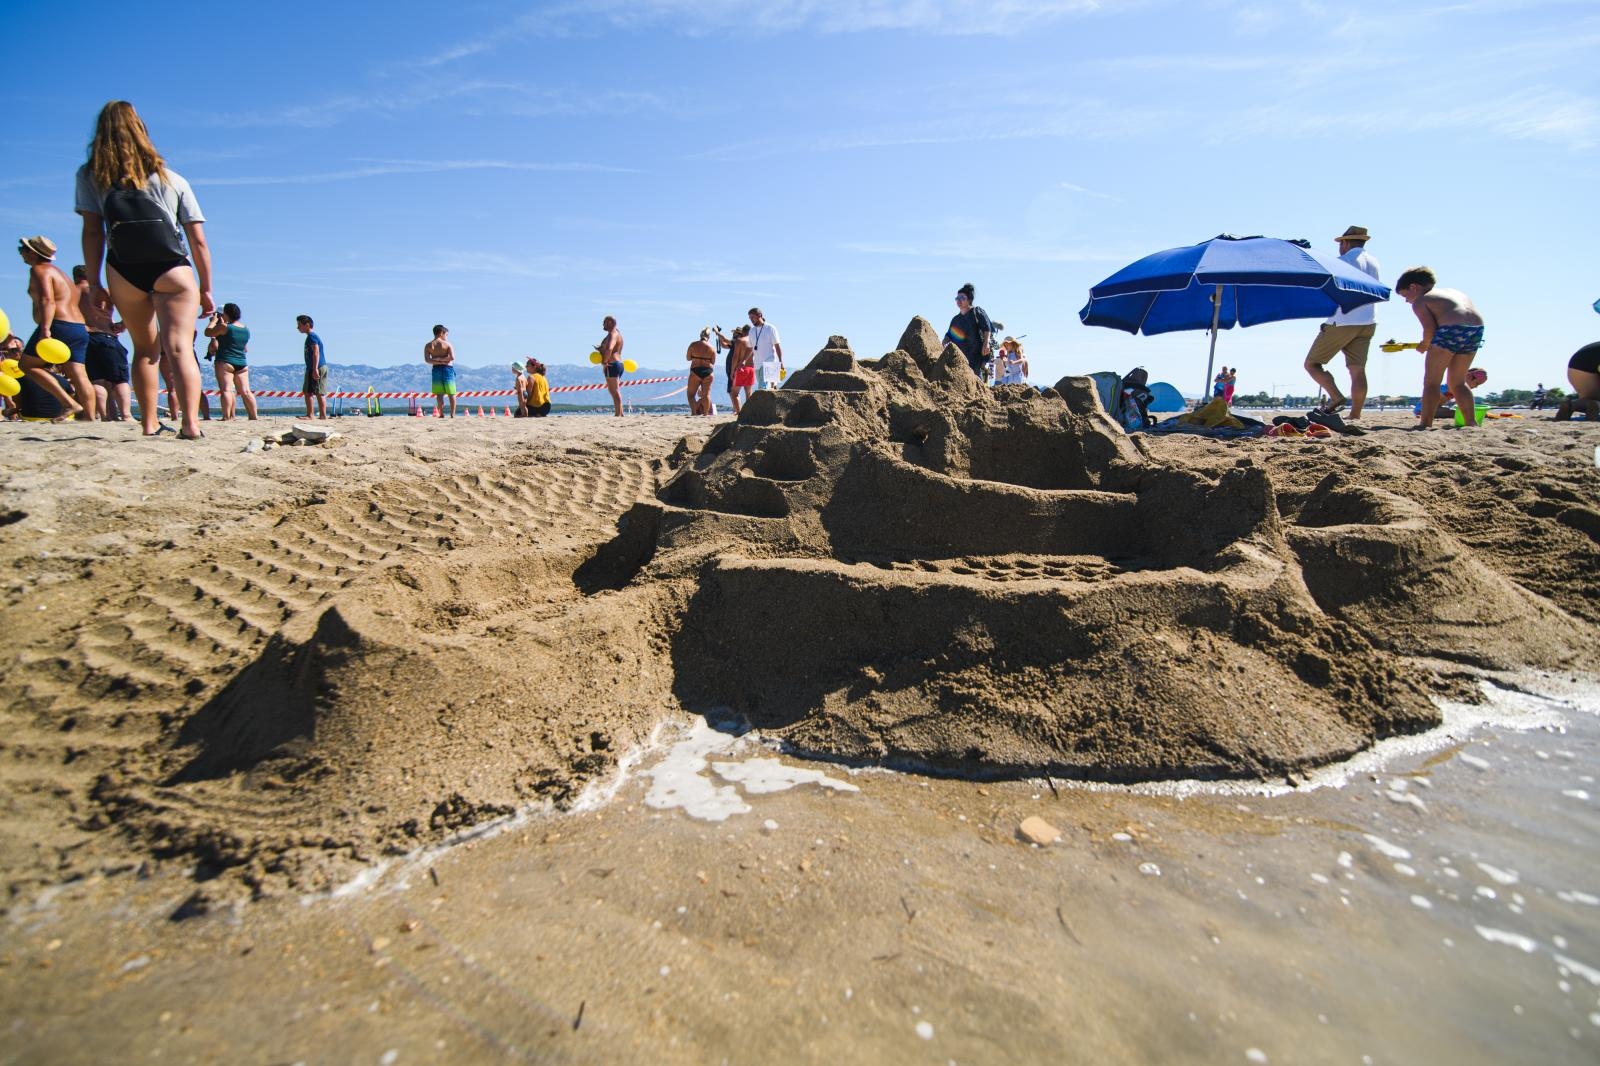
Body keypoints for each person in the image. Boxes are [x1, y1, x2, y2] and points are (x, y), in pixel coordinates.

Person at [76, 101, 213, 439]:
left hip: (124, 269)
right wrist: (207, 288)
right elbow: (197, 240)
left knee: (145, 349)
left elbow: (93, 233)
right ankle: (191, 424)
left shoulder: (92, 177)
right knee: (180, 348)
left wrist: (94, 282)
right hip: (172, 268)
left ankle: (149, 423)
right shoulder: (171, 179)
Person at [1304, 226, 1380, 418]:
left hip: (1344, 318)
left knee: (1312, 364)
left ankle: (1336, 397)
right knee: (1357, 370)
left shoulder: (1343, 261)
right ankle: (1355, 414)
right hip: (1368, 320)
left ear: (1345, 243)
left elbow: (1331, 290)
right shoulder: (1374, 262)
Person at [1396, 265, 1484, 429]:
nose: (1407, 301)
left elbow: (1429, 329)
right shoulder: (1453, 292)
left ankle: (1425, 423)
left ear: (1414, 287)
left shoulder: (1421, 300)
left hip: (1451, 328)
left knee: (1431, 382)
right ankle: (1471, 423)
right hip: (1476, 328)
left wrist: (1424, 344)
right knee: (1457, 382)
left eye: (1405, 296)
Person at [16, 236, 94, 421]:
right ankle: (90, 418)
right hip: (77, 327)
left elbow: (47, 300)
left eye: (22, 250)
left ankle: (68, 403)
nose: (21, 253)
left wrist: (45, 329)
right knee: (79, 374)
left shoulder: (39, 270)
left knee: (26, 365)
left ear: (32, 253)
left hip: (58, 324)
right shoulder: (61, 274)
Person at [73, 264, 129, 420]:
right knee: (119, 380)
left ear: (76, 277)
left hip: (85, 336)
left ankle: (105, 416)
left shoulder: (72, 291)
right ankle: (126, 415)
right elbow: (129, 308)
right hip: (107, 335)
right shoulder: (105, 292)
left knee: (96, 380)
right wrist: (122, 325)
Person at [202, 302, 257, 420]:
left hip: (225, 360)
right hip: (242, 362)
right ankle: (253, 416)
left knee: (226, 390)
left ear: (226, 314)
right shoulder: (245, 329)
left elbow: (208, 332)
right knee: (246, 391)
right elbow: (245, 348)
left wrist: (213, 321)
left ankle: (226, 417)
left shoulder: (225, 327)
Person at [946, 283, 994, 376]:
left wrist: (986, 342)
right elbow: (949, 335)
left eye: (962, 298)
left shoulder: (977, 312)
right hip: (960, 357)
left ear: (969, 300)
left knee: (975, 378)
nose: (959, 300)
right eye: (957, 298)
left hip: (975, 355)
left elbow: (987, 328)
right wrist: (944, 342)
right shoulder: (956, 319)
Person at [296, 314, 328, 419]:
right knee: (315, 392)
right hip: (317, 366)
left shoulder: (312, 336)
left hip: (316, 367)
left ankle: (311, 415)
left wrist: (314, 369)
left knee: (311, 392)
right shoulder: (311, 336)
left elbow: (316, 352)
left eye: (299, 325)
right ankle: (321, 415)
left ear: (307, 325)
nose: (298, 327)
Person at [1560, 343, 1600, 420]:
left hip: (1579, 358)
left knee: (1590, 398)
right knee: (1595, 399)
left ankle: (1572, 405)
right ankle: (1596, 404)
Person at [747, 307, 784, 389]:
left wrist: (781, 362)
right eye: (750, 318)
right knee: (769, 389)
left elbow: (777, 346)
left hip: (770, 363)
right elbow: (750, 350)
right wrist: (747, 363)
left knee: (762, 388)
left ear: (759, 315)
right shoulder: (751, 331)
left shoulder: (770, 328)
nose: (751, 320)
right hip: (757, 365)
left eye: (753, 317)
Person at [425, 324, 456, 418]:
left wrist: (437, 360)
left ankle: (441, 414)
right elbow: (452, 358)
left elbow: (427, 360)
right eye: (446, 334)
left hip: (436, 369)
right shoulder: (447, 344)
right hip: (447, 369)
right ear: (441, 333)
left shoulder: (429, 345)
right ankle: (452, 414)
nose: (446, 336)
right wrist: (442, 360)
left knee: (439, 394)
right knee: (451, 393)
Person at [596, 315, 624, 417]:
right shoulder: (617, 334)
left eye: (604, 322)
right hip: (619, 363)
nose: (603, 325)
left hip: (612, 364)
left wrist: (604, 362)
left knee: (613, 390)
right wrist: (601, 349)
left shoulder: (613, 334)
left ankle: (618, 413)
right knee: (615, 390)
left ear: (610, 322)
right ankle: (620, 412)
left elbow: (609, 349)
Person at [686, 328, 717, 415]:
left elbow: (688, 358)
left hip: (695, 370)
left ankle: (694, 413)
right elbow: (713, 362)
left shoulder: (693, 345)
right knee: (706, 395)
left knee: (691, 395)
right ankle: (706, 414)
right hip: (708, 371)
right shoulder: (712, 348)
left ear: (700, 335)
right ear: (708, 337)